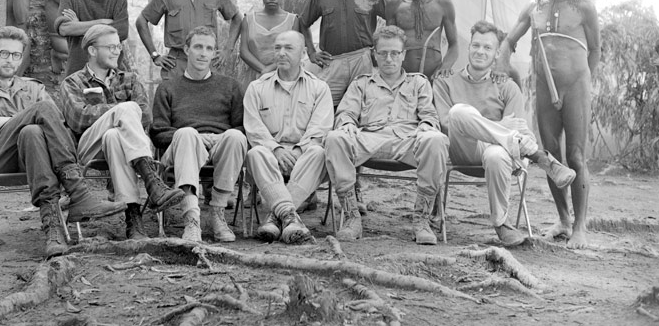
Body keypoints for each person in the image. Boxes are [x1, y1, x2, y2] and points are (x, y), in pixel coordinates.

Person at [0, 26, 127, 257]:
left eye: (16, 55)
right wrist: (18, 120)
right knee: (42, 109)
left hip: (30, 159)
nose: (10, 60)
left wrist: (8, 121)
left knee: (33, 132)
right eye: (4, 53)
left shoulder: (33, 88)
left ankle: (53, 230)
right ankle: (78, 192)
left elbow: (56, 128)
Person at [433, 21, 576, 247]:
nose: (480, 52)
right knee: (458, 112)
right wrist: (500, 124)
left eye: (487, 47)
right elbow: (446, 124)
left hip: (498, 151)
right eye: (476, 45)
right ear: (469, 47)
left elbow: (517, 128)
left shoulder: (507, 87)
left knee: (496, 155)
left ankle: (501, 224)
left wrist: (499, 131)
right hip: (464, 149)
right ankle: (538, 156)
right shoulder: (445, 82)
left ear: (497, 53)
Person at [496, 0, 600, 249]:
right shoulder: (534, 8)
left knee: (576, 156)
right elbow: (509, 41)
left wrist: (585, 82)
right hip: (543, 88)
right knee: (551, 155)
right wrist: (503, 66)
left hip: (576, 90)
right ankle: (564, 220)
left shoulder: (583, 8)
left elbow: (595, 50)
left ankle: (580, 228)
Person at [324, 26, 449, 244]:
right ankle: (352, 218)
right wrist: (347, 123)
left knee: (435, 139)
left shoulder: (418, 83)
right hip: (369, 139)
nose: (388, 59)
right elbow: (346, 112)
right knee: (335, 138)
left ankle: (421, 220)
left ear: (403, 55)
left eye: (394, 53)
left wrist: (427, 125)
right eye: (383, 53)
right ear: (374, 54)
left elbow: (429, 115)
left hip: (407, 140)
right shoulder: (361, 83)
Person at [59, 25, 184, 239]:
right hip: (89, 146)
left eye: (118, 46)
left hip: (122, 146)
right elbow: (78, 119)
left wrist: (110, 114)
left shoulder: (130, 79)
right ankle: (152, 181)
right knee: (127, 109)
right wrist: (118, 111)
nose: (117, 51)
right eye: (111, 47)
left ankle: (133, 219)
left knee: (114, 136)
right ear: (92, 50)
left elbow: (146, 116)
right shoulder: (73, 82)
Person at [150, 26, 247, 243]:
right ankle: (192, 218)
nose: (203, 53)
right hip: (181, 149)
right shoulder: (168, 88)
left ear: (214, 53)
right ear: (186, 50)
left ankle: (217, 213)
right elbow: (158, 132)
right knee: (187, 134)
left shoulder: (231, 86)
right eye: (198, 47)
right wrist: (195, 137)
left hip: (220, 147)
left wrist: (218, 138)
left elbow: (243, 128)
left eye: (209, 48)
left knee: (235, 137)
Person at [244, 31, 333, 244]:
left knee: (319, 152)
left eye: (289, 48)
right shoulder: (257, 87)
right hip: (270, 158)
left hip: (304, 158)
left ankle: (275, 217)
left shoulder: (319, 88)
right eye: (278, 48)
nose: (281, 53)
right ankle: (290, 218)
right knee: (256, 153)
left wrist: (298, 150)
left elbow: (320, 129)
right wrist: (276, 149)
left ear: (303, 53)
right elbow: (254, 128)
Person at [299, 0, 389, 107]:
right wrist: (311, 52)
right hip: (331, 61)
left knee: (365, 107)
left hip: (363, 60)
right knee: (324, 106)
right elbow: (303, 22)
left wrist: (380, 51)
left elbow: (393, 19)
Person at [385, 0, 459, 79]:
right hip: (402, 78)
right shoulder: (394, 3)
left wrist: (445, 67)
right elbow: (388, 43)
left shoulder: (443, 4)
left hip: (434, 77)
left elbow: (454, 45)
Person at [239, 0, 300, 86]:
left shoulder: (292, 21)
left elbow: (294, 51)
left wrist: (269, 70)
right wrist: (262, 69)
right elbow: (243, 51)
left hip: (283, 78)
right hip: (254, 79)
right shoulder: (248, 20)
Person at [44, 0, 80, 74]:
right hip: (58, 37)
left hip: (74, 35)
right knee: (80, 56)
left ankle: (58, 55)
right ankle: (56, 54)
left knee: (89, 54)